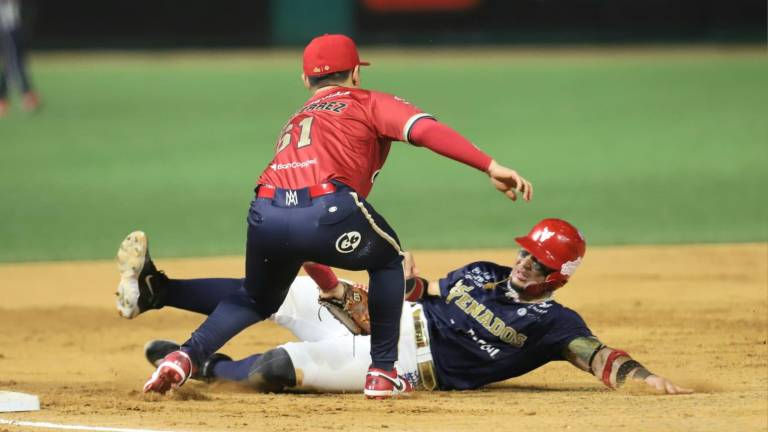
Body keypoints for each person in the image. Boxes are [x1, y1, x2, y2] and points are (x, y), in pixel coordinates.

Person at [129, 33, 533, 399]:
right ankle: (382, 373)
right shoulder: (366, 101)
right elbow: (425, 131)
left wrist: (331, 286)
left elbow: (297, 229)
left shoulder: (297, 122)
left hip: (266, 211)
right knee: (389, 261)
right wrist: (489, 165)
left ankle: (184, 356)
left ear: (306, 81)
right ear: (355, 73)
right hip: (330, 208)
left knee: (256, 298)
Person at [116, 219, 692, 396]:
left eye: (539, 264)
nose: (524, 264)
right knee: (283, 290)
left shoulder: (554, 324)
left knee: (276, 366)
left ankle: (213, 368)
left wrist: (645, 379)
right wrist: (403, 283)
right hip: (388, 325)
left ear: (558, 278)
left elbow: (598, 357)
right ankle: (159, 291)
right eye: (526, 253)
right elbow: (417, 298)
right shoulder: (480, 273)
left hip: (407, 367)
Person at [0, 0, 39, 117]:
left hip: (15, 27)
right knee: (14, 61)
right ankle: (26, 94)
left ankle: (2, 97)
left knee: (13, 62)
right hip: (5, 28)